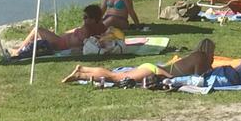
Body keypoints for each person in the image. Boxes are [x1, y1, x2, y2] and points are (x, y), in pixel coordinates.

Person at [62, 38, 216, 84]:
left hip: (152, 68)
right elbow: (198, 79)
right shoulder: (202, 58)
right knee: (116, 77)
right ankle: (81, 74)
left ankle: (83, 70)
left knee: (115, 75)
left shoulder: (195, 55)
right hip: (155, 71)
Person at [12, 4, 106, 57]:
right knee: (37, 37)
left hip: (60, 43)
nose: (83, 19)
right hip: (60, 39)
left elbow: (82, 44)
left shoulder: (88, 30)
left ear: (93, 19)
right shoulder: (94, 26)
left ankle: (19, 50)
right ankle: (20, 48)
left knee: (37, 29)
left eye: (85, 17)